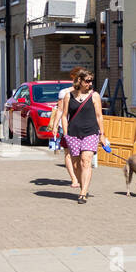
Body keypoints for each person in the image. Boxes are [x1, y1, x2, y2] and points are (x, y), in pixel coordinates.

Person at [56, 67, 108, 204]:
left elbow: (99, 116)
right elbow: (64, 115)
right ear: (79, 80)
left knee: (86, 160)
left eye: (91, 81)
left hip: (90, 132)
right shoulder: (69, 95)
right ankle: (81, 183)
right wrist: (66, 133)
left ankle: (83, 192)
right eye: (87, 81)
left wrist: (102, 135)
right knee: (76, 164)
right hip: (73, 133)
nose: (90, 83)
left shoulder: (94, 96)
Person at [48, 77, 80, 188]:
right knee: (68, 153)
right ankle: (74, 178)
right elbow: (60, 110)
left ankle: (79, 174)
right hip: (66, 125)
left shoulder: (88, 93)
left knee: (80, 153)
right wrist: (55, 125)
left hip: (81, 126)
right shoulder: (64, 93)